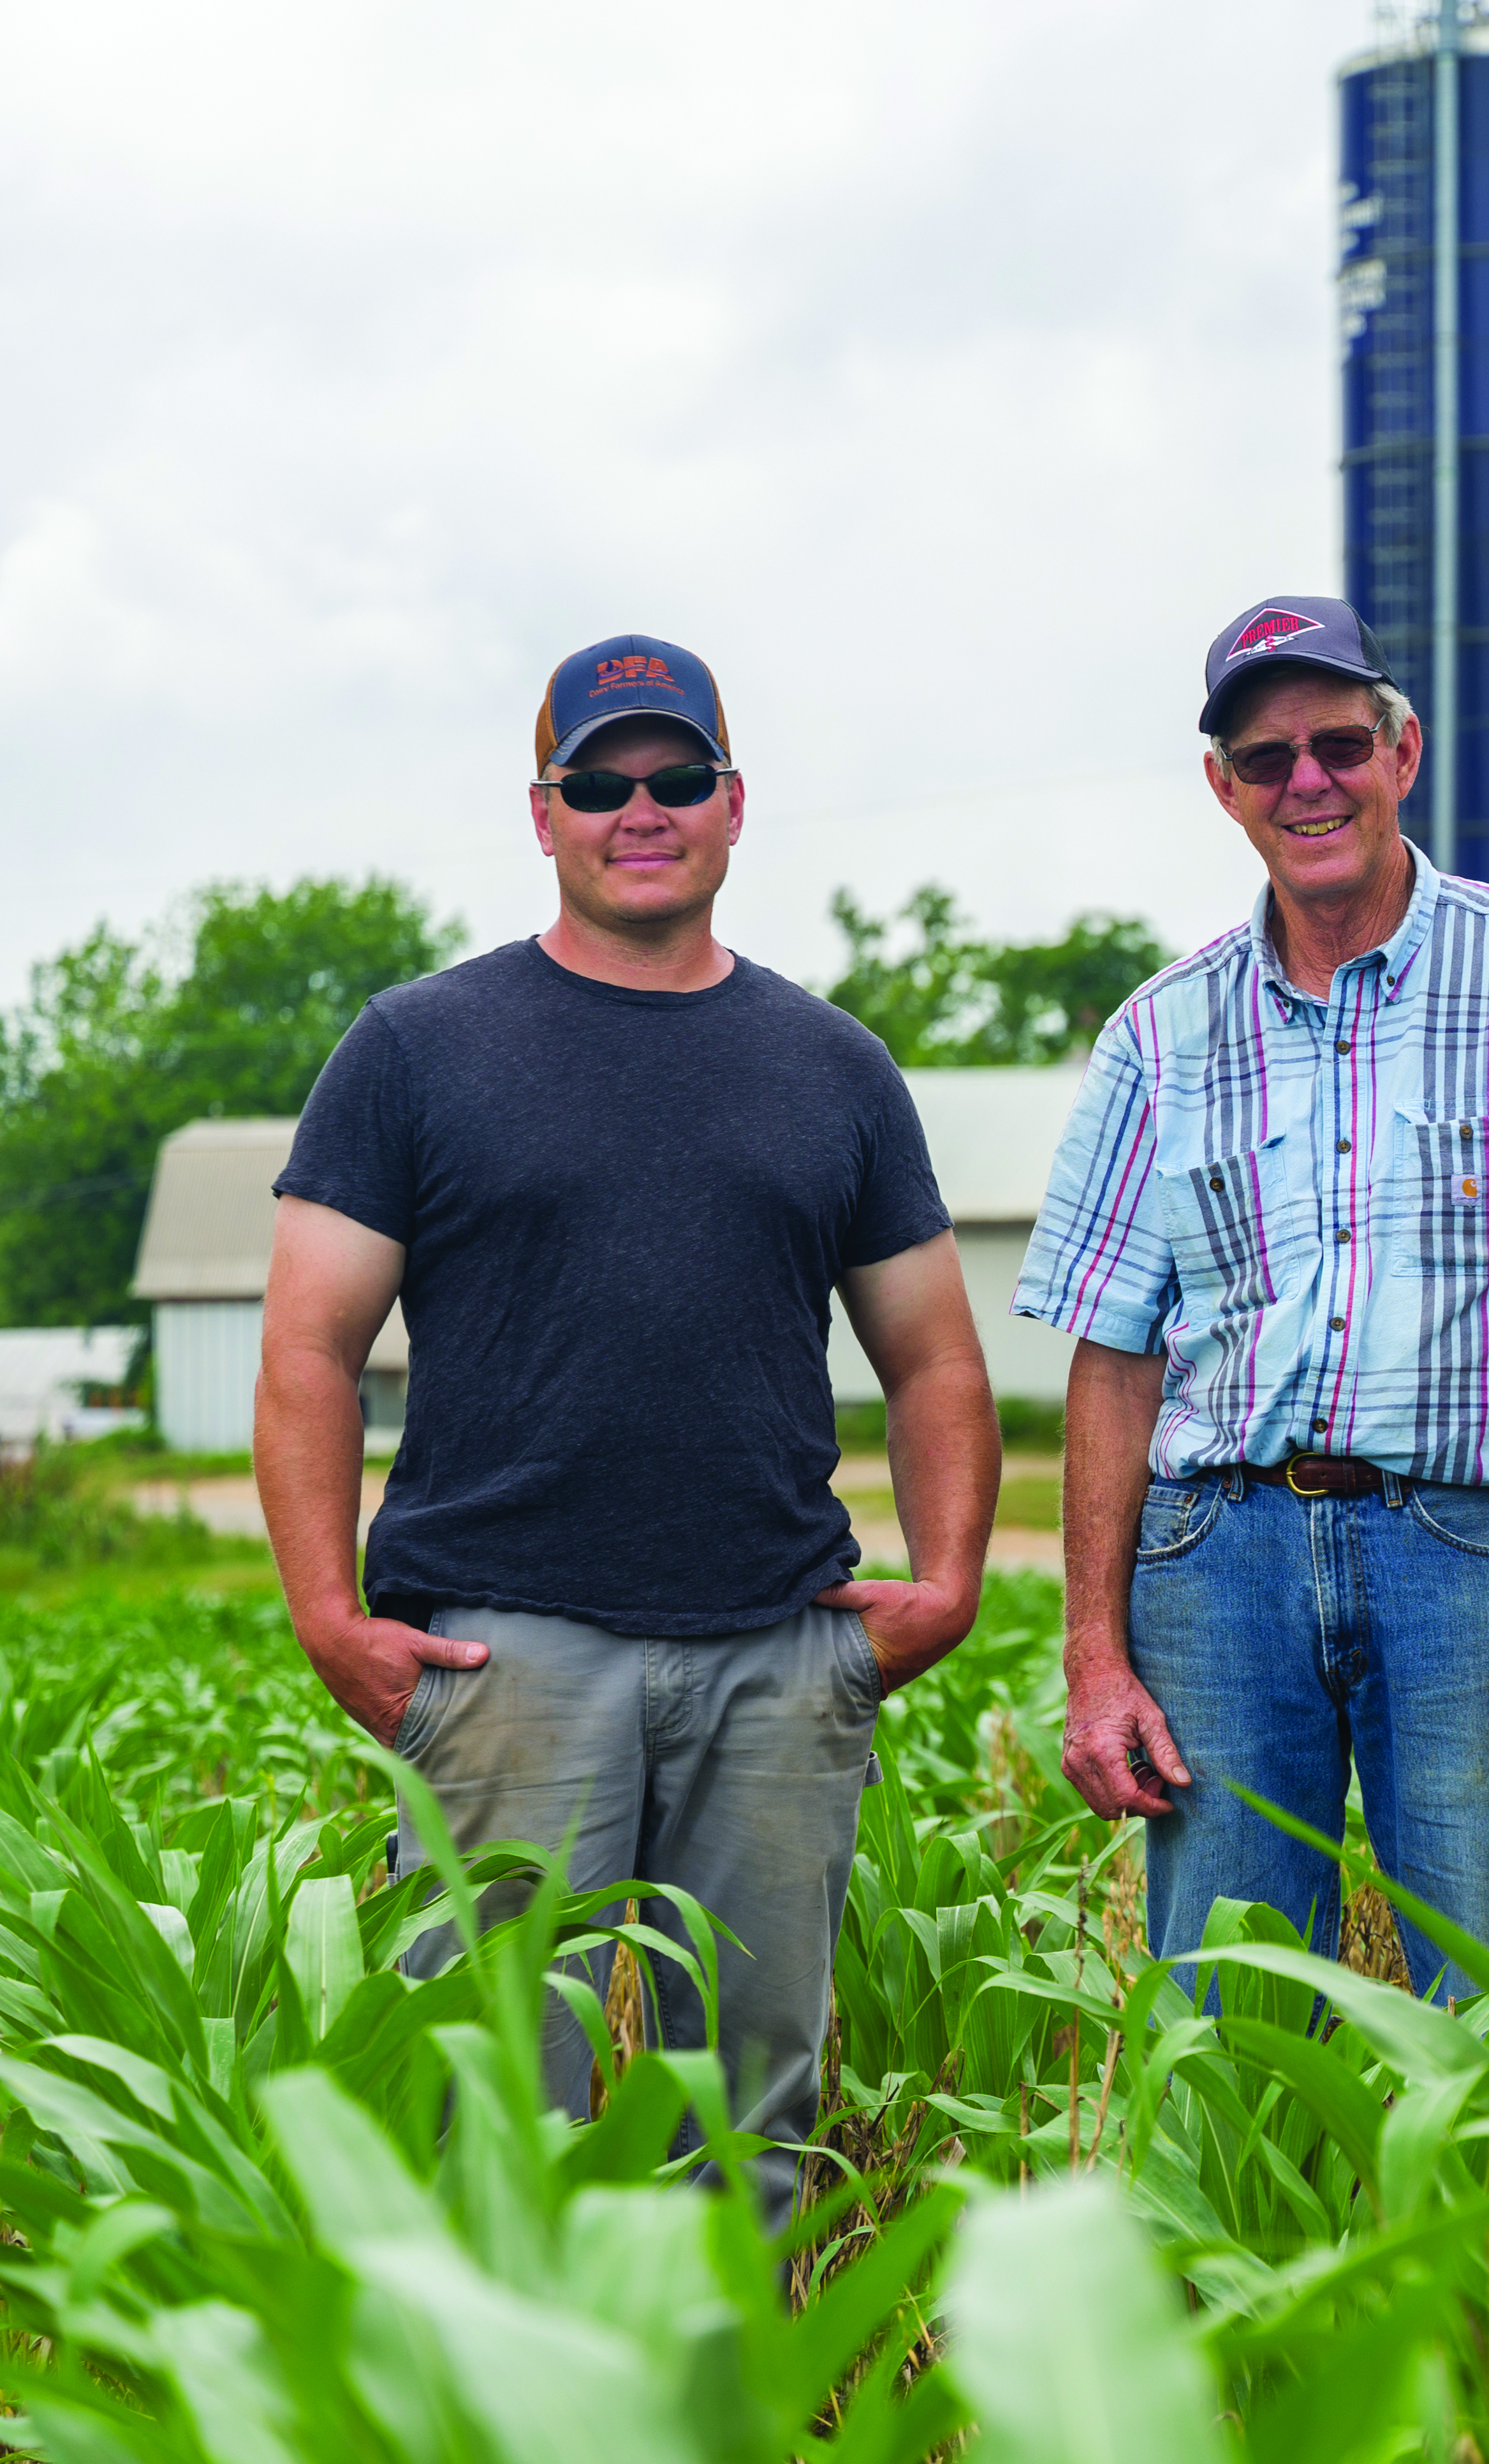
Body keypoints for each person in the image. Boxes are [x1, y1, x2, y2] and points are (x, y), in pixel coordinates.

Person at [254, 633, 997, 2221]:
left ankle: (744, 2402)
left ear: (733, 805)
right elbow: (310, 1346)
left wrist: (945, 1582)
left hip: (774, 1652)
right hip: (508, 1657)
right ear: (544, 813)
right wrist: (328, 1611)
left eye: (674, 779)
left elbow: (933, 1355)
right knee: (497, 2109)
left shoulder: (833, 1065)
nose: (637, 807)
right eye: (599, 781)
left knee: (757, 2116)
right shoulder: (416, 1047)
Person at [1018, 595, 1489, 1995]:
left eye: (1338, 743)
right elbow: (1113, 1355)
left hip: (1465, 1554)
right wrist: (1094, 1656)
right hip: (1212, 1560)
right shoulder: (1158, 1031)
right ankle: (1230, 2221)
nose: (1307, 781)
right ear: (1221, 786)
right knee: (1219, 2009)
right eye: (1265, 756)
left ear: (1401, 752)